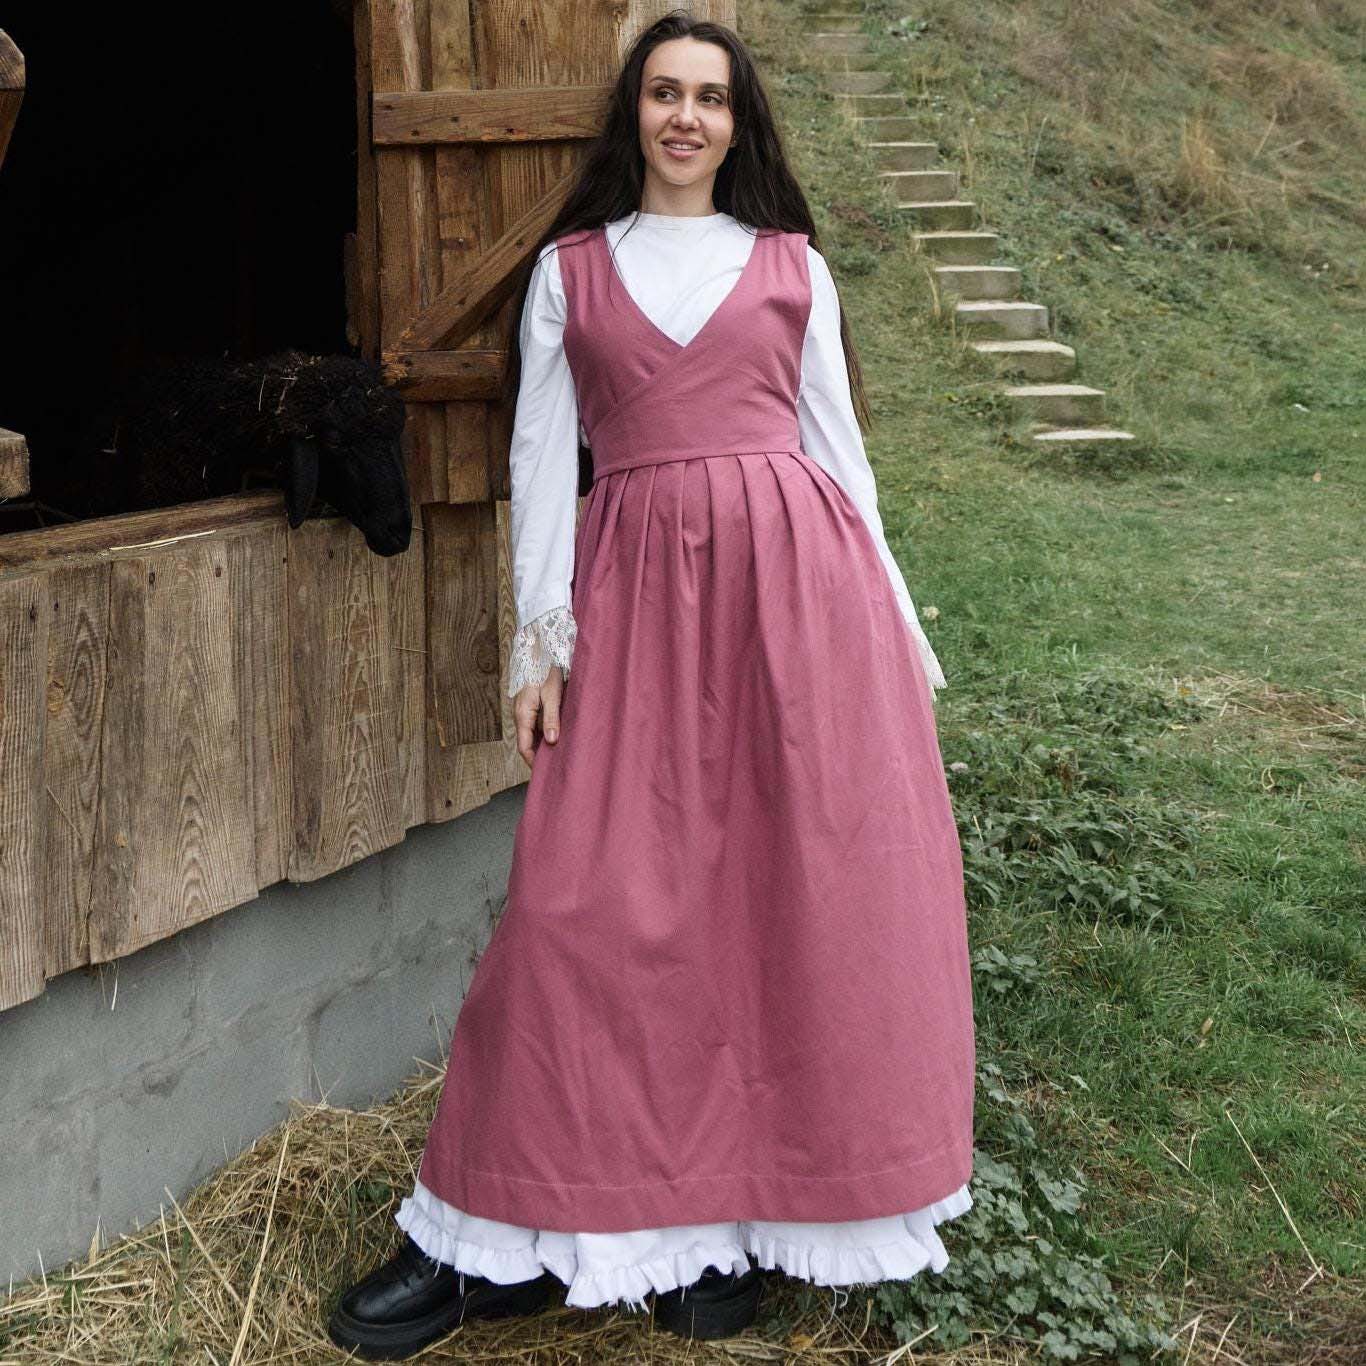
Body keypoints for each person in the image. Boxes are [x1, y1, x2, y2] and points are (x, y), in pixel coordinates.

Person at [327, 10, 975, 1359]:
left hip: (799, 612)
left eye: (711, 98)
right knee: (579, 909)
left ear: (739, 126)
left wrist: (901, 637)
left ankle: (718, 1236)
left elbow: (842, 462)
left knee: (781, 908)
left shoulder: (792, 268)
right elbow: (538, 461)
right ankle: (479, 1238)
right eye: (666, 92)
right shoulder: (572, 273)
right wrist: (538, 645)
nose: (687, 116)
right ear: (634, 111)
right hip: (634, 611)